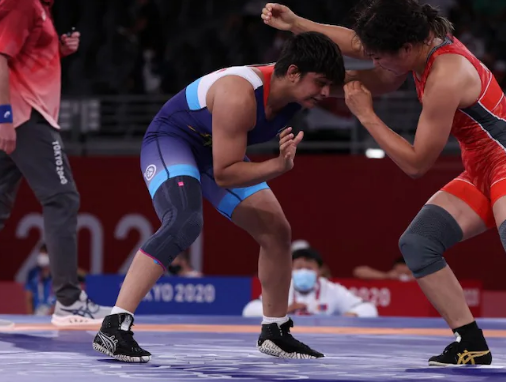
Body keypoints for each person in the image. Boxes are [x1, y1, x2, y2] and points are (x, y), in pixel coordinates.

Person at [262, 0, 506, 374]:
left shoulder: (445, 75)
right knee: (419, 244)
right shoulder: (421, 40)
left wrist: (367, 116)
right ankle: (469, 343)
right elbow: (360, 43)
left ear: (406, 48)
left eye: (379, 57)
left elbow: (417, 163)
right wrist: (298, 24)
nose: (373, 62)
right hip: (481, 168)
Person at [92, 31, 346, 363]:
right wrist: (277, 166)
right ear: (294, 72)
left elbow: (374, 75)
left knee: (276, 230)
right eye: (322, 83)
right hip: (172, 140)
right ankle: (114, 327)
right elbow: (226, 172)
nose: (326, 93)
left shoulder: (298, 86)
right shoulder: (239, 94)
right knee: (183, 220)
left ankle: (275, 330)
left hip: (214, 148)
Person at [0, 0, 110, 329]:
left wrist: (59, 49)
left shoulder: (40, 3)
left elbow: (25, 58)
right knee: (62, 198)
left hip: (16, 118)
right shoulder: (19, 2)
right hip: (26, 118)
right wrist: (5, 119)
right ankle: (70, 301)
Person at [243, 247, 378, 318]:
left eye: (309, 268)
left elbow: (369, 309)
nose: (304, 272)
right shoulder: (280, 288)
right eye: (299, 268)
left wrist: (352, 315)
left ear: (319, 271)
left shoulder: (332, 289)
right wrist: (282, 310)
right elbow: (249, 311)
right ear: (290, 269)